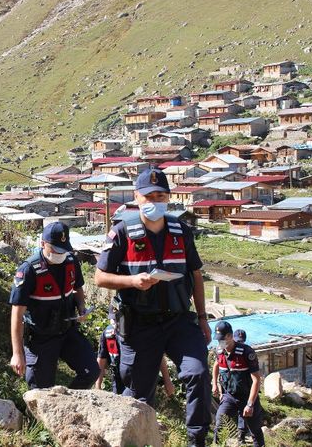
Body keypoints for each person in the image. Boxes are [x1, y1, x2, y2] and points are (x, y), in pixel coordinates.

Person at [94, 168, 211, 447]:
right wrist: (132, 281)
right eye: (149, 196)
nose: (155, 201)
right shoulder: (122, 232)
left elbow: (195, 275)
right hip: (140, 325)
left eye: (160, 196)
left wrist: (203, 318)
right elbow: (100, 277)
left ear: (168, 198)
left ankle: (196, 440)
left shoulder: (180, 231)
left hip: (178, 321)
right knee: (138, 393)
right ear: (137, 197)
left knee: (198, 373)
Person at [9, 221, 99, 390]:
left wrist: (81, 308)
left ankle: (68, 402)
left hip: (67, 331)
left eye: (63, 249)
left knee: (91, 371)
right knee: (40, 389)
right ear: (43, 244)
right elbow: (17, 315)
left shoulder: (71, 261)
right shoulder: (29, 270)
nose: (60, 254)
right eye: (55, 249)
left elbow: (77, 288)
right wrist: (17, 353)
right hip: (41, 337)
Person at [212, 321, 265, 447]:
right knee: (219, 424)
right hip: (229, 396)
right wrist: (214, 384)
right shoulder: (219, 351)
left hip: (247, 397)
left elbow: (256, 380)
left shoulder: (246, 352)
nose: (220, 342)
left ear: (230, 336)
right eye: (218, 339)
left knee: (255, 431)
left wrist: (250, 404)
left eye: (222, 339)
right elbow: (216, 365)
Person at [95, 321, 176, 397]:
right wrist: (97, 386)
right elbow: (101, 359)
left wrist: (167, 381)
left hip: (140, 378)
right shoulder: (108, 333)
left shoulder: (140, 331)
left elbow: (157, 355)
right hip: (118, 380)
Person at [232, 329, 251, 444]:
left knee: (242, 412)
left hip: (245, 388)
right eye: (238, 341)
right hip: (230, 389)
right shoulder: (227, 352)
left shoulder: (247, 352)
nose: (240, 343)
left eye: (242, 341)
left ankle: (241, 436)